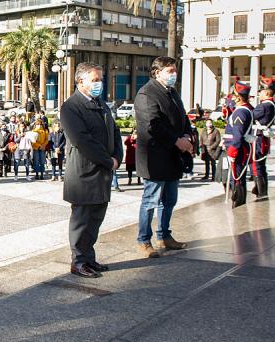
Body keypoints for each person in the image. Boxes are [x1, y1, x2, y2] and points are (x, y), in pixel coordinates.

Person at [60, 62, 123, 278]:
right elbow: (82, 140)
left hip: (102, 172)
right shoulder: (71, 107)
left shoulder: (101, 104)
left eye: (100, 79)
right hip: (84, 174)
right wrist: (108, 161)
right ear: (81, 82)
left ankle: (89, 258)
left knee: (95, 220)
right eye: (95, 80)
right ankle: (78, 261)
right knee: (82, 220)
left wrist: (117, 157)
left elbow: (114, 132)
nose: (99, 84)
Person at [134, 56, 192, 258]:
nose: (173, 74)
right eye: (169, 71)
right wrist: (177, 141)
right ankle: (143, 240)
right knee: (150, 201)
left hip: (173, 156)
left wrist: (186, 136)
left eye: (174, 70)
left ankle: (164, 235)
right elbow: (153, 125)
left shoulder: (173, 92)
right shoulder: (146, 93)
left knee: (169, 200)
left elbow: (183, 118)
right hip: (155, 157)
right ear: (157, 73)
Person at [224, 80, 254, 208]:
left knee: (237, 178)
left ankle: (238, 204)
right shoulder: (245, 109)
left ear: (238, 96)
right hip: (241, 147)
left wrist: (232, 151)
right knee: (238, 177)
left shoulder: (240, 112)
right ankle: (239, 203)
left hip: (238, 148)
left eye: (234, 95)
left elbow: (237, 135)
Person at [251, 76, 275, 200]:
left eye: (261, 91)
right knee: (260, 165)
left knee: (257, 166)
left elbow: (250, 116)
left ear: (266, 92)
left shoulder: (264, 106)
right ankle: (261, 190)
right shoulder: (272, 104)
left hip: (259, 138)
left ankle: (261, 193)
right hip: (262, 137)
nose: (259, 94)